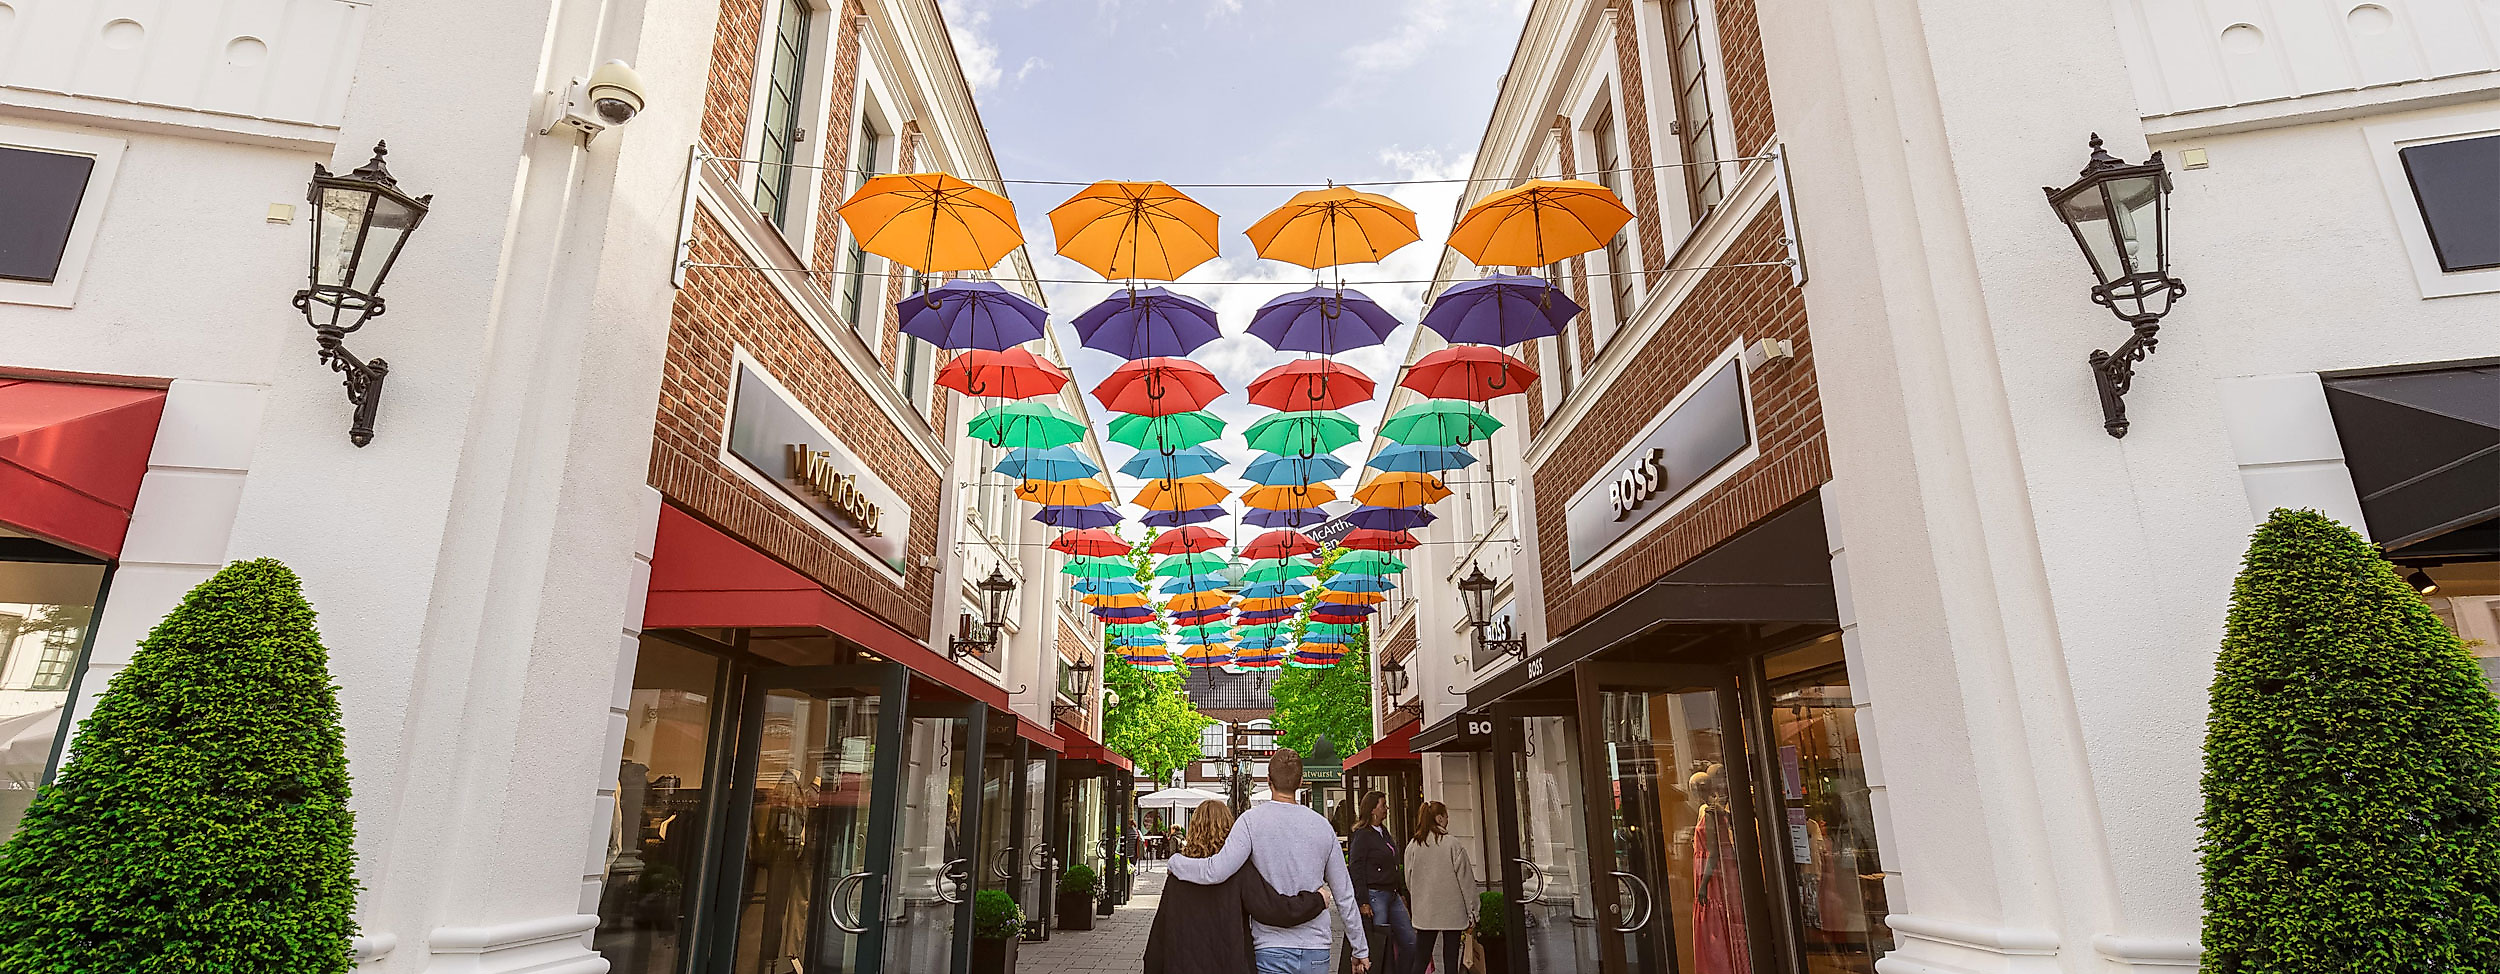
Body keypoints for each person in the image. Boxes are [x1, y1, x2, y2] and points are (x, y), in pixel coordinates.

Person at [1170, 748, 1372, 974]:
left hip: (1270, 946)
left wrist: (1177, 863)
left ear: (1268, 780)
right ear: (1301, 781)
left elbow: (1216, 870)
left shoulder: (1250, 822)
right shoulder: (1322, 826)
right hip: (1316, 944)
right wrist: (1360, 948)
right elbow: (1344, 894)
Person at [1145, 800, 1328, 974]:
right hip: (1229, 964)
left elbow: (1158, 937)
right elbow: (1274, 909)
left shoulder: (1178, 875)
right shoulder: (1238, 872)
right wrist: (1317, 900)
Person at [1403, 801, 1475, 974]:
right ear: (1439, 818)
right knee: (1451, 960)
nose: (1448, 819)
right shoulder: (1452, 844)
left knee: (1420, 959)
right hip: (1453, 911)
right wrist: (1473, 911)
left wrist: (1420, 896)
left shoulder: (1414, 845)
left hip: (1425, 911)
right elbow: (1466, 881)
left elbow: (1408, 879)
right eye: (1446, 816)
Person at [1348, 792, 1415, 974]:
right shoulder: (1362, 835)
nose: (1386, 809)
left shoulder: (1384, 832)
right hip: (1375, 894)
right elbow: (1356, 869)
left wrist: (1401, 892)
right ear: (1372, 810)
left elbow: (1393, 864)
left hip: (1392, 893)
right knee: (1379, 944)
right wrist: (1363, 900)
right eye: (1383, 805)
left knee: (1410, 941)